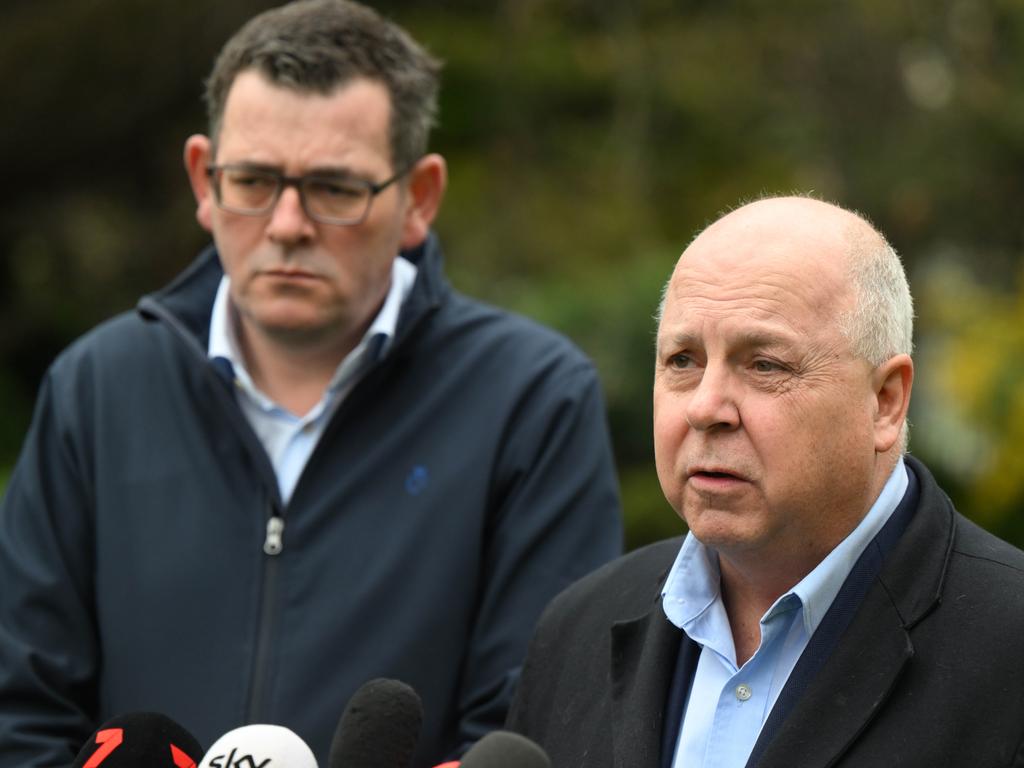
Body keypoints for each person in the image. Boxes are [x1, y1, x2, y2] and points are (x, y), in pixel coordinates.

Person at [0, 2, 623, 765]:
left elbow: (538, 721)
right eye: (254, 179)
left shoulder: (534, 401)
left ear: (418, 198)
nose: (287, 223)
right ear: (204, 177)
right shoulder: (96, 390)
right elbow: (20, 712)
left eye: (334, 189)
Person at [506, 196, 1024, 767]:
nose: (706, 408)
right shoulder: (577, 627)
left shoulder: (1006, 645)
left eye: (764, 365)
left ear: (885, 401)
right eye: (683, 360)